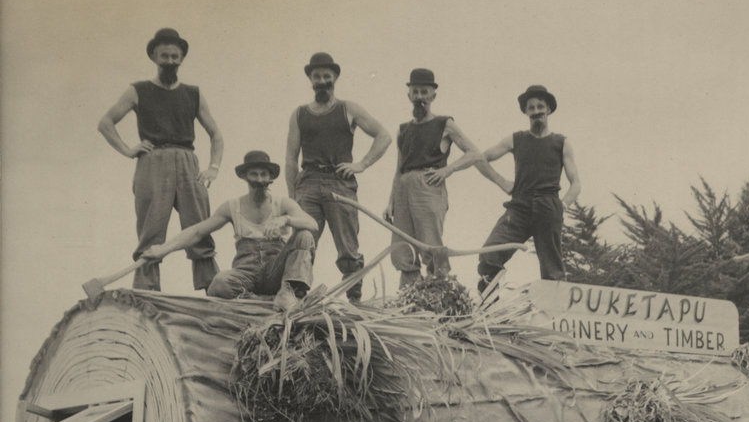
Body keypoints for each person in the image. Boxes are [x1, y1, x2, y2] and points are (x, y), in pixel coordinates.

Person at [98, 27, 223, 292]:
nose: (170, 61)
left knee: (199, 225)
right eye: (164, 56)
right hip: (153, 161)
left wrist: (213, 167)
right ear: (154, 57)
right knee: (151, 230)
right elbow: (106, 123)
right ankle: (147, 293)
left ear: (181, 58)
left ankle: (214, 290)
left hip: (188, 161)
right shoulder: (138, 90)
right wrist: (127, 149)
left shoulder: (193, 93)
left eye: (175, 56)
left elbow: (216, 135)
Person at [141, 151, 318, 312]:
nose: (259, 180)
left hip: (275, 273)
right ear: (245, 177)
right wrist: (162, 249)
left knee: (304, 235)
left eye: (264, 174)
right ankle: (263, 300)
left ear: (271, 177)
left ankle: (287, 292)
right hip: (245, 274)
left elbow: (312, 224)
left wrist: (286, 219)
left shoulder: (283, 204)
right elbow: (197, 232)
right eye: (254, 174)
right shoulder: (232, 207)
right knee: (218, 284)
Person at [384, 68, 510, 286]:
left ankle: (440, 293)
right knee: (401, 249)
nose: (420, 97)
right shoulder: (403, 130)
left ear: (433, 96)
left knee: (431, 245)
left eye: (424, 92)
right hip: (403, 189)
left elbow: (473, 153)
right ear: (409, 96)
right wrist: (390, 202)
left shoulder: (444, 124)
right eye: (415, 92)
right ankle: (410, 299)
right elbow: (398, 169)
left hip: (428, 186)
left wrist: (447, 170)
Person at [285, 52, 391, 302]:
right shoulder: (299, 113)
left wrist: (362, 164)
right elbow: (290, 158)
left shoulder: (348, 109)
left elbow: (383, 135)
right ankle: (296, 301)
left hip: (339, 183)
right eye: (316, 77)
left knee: (348, 246)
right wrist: (292, 197)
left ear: (335, 78)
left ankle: (354, 301)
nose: (321, 81)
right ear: (310, 80)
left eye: (326, 76)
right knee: (303, 241)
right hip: (308, 182)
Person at [476, 85, 581, 293]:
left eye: (540, 106)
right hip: (519, 207)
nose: (536, 111)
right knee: (490, 254)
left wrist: (563, 205)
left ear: (549, 109)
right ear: (525, 112)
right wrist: (501, 181)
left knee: (552, 270)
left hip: (548, 206)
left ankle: (554, 318)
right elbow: (480, 158)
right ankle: (490, 310)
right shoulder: (516, 139)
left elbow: (576, 183)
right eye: (531, 108)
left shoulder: (561, 143)